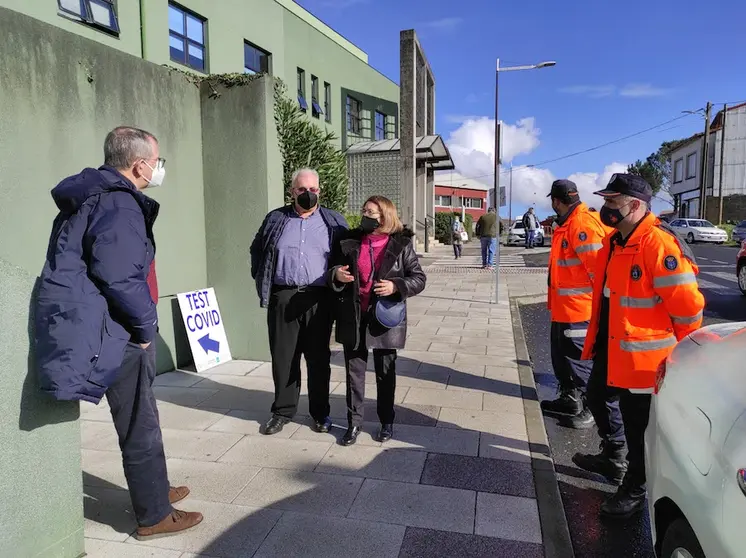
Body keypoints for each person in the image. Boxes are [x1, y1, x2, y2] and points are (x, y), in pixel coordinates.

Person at [34, 127, 202, 539]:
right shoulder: (120, 204)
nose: (158, 169)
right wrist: (145, 329)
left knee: (143, 418)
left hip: (102, 325)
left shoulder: (91, 195)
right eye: (157, 161)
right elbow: (120, 277)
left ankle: (156, 490)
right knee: (139, 424)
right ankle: (154, 515)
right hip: (117, 331)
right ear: (139, 164)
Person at [573, 173, 704, 518]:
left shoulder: (658, 245)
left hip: (646, 362)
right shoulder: (616, 241)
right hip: (613, 347)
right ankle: (613, 455)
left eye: (612, 202)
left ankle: (635, 488)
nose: (606, 208)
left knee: (639, 429)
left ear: (635, 205)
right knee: (597, 396)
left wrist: (685, 356)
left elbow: (688, 309)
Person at [250, 168, 348, 436]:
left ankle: (320, 413)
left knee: (318, 359)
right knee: (283, 358)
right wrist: (264, 281)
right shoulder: (275, 219)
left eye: (313, 190)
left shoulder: (334, 222)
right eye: (302, 189)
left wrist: (338, 274)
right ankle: (282, 411)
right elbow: (257, 251)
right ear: (292, 191)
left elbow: (346, 256)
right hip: (284, 296)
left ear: (320, 191)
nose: (308, 194)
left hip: (319, 298)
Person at [329, 196, 426, 446]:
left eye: (370, 211)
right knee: (354, 373)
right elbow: (333, 270)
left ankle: (386, 422)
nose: (365, 214)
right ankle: (354, 424)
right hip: (354, 315)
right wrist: (337, 275)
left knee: (386, 373)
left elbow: (418, 278)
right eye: (364, 210)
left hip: (385, 317)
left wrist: (396, 285)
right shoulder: (349, 242)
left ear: (384, 216)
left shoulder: (401, 245)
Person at [541, 179, 611, 429]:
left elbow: (599, 271)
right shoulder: (569, 223)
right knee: (562, 358)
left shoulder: (582, 224)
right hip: (564, 308)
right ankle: (569, 399)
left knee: (579, 361)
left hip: (580, 309)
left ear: (556, 201)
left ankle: (592, 408)